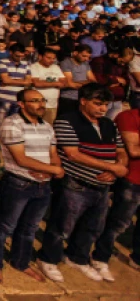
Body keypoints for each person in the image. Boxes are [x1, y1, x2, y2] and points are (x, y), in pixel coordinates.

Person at [39, 83, 128, 283]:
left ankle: (77, 258)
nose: (103, 109)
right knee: (62, 226)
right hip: (76, 184)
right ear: (83, 101)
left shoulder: (108, 124)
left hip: (103, 186)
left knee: (92, 226)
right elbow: (72, 154)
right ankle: (48, 259)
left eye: (105, 104)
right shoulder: (66, 121)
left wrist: (117, 167)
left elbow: (121, 150)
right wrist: (114, 168)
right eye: (97, 104)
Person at [0, 89, 63, 284]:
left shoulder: (46, 126)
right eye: (35, 101)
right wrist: (51, 169)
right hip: (19, 183)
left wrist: (54, 169)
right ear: (21, 104)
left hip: (43, 184)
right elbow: (20, 158)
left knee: (30, 228)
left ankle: (21, 262)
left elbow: (53, 153)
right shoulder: (12, 124)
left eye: (42, 100)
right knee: (5, 226)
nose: (41, 104)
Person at [92, 102, 140, 278]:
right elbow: (133, 150)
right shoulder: (129, 117)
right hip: (134, 179)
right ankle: (100, 258)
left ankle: (137, 259)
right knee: (119, 223)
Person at [0, 42, 33, 122]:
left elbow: (28, 81)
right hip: (3, 98)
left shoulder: (26, 64)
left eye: (21, 56)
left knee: (13, 124)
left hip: (18, 100)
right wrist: (22, 81)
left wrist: (10, 80)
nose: (19, 58)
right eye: (17, 56)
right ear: (11, 52)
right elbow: (5, 79)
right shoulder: (3, 62)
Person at [58, 44, 97, 116]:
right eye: (84, 56)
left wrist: (79, 83)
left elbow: (93, 81)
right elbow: (70, 84)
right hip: (68, 99)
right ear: (75, 53)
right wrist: (86, 83)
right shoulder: (66, 63)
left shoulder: (86, 64)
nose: (86, 59)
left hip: (83, 98)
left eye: (88, 57)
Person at [30, 48, 66, 124]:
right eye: (48, 58)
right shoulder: (34, 67)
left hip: (53, 104)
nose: (51, 60)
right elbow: (37, 83)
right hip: (38, 103)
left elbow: (63, 83)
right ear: (40, 56)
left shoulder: (56, 67)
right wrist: (56, 83)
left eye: (53, 58)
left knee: (49, 127)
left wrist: (44, 82)